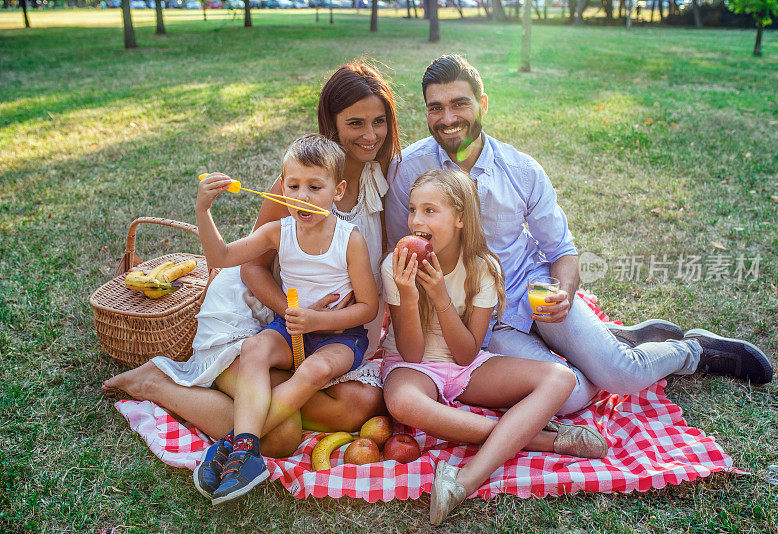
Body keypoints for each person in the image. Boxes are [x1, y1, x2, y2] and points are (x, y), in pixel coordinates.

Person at [385, 54, 773, 417]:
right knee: (568, 396)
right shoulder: (409, 169)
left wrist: (564, 295)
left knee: (621, 375)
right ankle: (605, 340)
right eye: (436, 107)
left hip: (531, 291)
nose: (448, 117)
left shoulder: (521, 170)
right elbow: (403, 248)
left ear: (482, 104)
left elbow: (563, 250)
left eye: (459, 103)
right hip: (480, 324)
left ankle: (692, 351)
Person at [103, 61, 399, 457]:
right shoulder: (296, 186)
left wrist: (318, 321)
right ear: (332, 124)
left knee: (358, 406)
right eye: (355, 123)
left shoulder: (378, 179)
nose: (370, 134)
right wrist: (294, 313)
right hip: (259, 312)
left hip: (320, 328)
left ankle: (261, 394)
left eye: (378, 121)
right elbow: (249, 265)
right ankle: (157, 384)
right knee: (280, 438)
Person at [381, 169, 607, 526]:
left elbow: (466, 355)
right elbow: (411, 353)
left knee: (560, 379)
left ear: (459, 218)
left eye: (429, 210)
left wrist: (440, 298)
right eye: (412, 209)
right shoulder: (396, 266)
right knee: (403, 403)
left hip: (465, 364)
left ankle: (463, 480)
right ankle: (539, 441)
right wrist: (408, 296)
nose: (415, 220)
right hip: (412, 366)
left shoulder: (482, 269)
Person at [194, 134, 379, 505]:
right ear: (281, 188)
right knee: (255, 347)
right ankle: (246, 449)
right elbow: (222, 256)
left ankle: (231, 446)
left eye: (315, 186)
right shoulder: (279, 232)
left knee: (313, 372)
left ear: (337, 190)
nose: (302, 196)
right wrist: (204, 211)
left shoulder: (349, 240)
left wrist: (316, 321)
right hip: (291, 329)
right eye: (292, 186)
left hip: (339, 337)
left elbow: (368, 308)